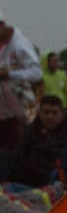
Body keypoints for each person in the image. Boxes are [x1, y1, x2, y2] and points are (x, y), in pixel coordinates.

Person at [0, 14, 42, 152]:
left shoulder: (20, 45)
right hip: (7, 114)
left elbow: (37, 73)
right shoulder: (5, 46)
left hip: (24, 112)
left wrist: (10, 74)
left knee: (22, 150)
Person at [12, 95, 67, 187]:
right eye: (46, 112)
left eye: (54, 113)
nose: (50, 116)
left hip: (58, 179)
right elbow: (19, 156)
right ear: (39, 113)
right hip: (29, 180)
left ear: (62, 114)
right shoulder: (31, 130)